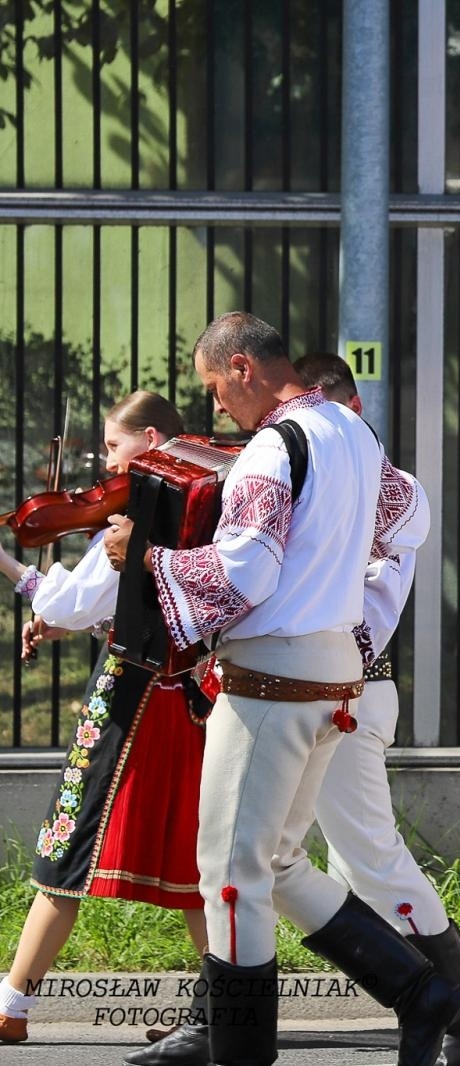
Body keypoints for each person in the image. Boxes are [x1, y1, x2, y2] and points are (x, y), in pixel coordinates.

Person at [102, 312, 460, 1066]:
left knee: (231, 878)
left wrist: (149, 559)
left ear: (242, 368)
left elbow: (245, 574)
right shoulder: (355, 432)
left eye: (214, 387)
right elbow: (410, 518)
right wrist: (330, 552)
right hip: (336, 667)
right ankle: (420, 990)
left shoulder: (273, 445)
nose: (216, 407)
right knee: (280, 862)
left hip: (272, 676)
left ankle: (241, 1053)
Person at [297, 354, 460, 1066]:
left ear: (345, 409)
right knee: (333, 866)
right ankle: (426, 1000)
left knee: (369, 860)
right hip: (319, 689)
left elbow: (362, 604)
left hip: (348, 689)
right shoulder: (313, 475)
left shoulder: (391, 488)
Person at [0, 392, 208, 1047]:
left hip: (130, 695)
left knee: (69, 842)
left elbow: (68, 601)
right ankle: (224, 1010)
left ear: (150, 439)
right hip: (195, 700)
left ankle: (12, 1004)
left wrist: (10, 567)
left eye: (114, 449)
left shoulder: (143, 505)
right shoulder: (210, 489)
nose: (105, 466)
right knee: (200, 863)